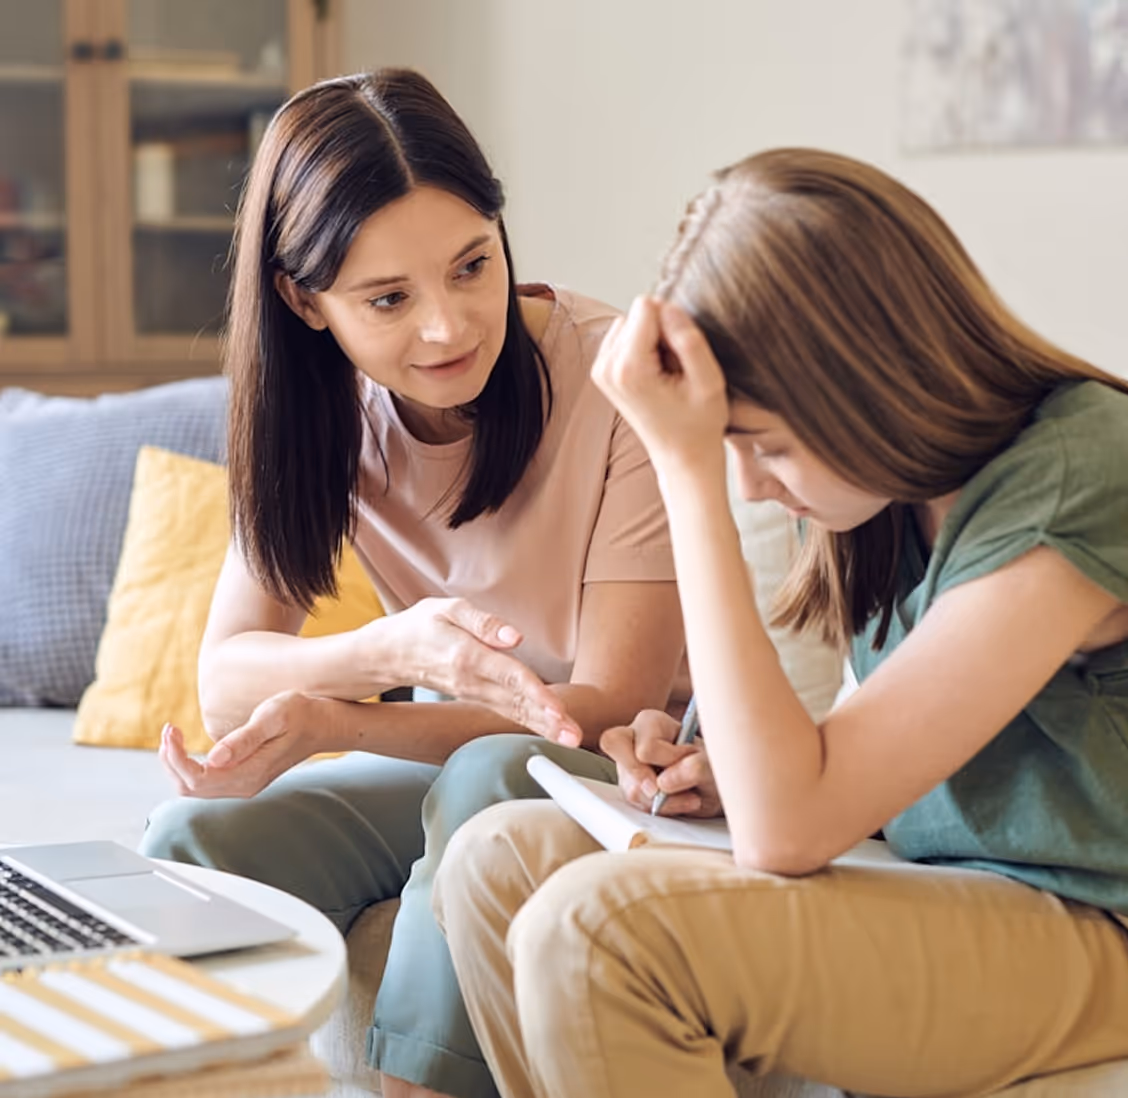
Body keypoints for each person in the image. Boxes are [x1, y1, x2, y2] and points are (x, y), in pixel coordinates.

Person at [432, 147, 1128, 1098]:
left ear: (872, 388)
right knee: (494, 858)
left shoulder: (1075, 473)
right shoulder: (893, 496)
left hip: (1091, 922)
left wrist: (686, 477)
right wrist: (717, 770)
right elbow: (849, 766)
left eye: (768, 448)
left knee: (594, 930)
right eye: (731, 451)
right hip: (951, 882)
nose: (755, 486)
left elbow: (790, 828)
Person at [138, 69, 687, 1098]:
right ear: (306, 302)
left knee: (490, 785)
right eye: (388, 299)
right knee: (184, 843)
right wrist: (391, 654)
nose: (448, 327)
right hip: (462, 760)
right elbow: (225, 681)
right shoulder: (322, 415)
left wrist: (333, 721)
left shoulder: (617, 380)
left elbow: (601, 709)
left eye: (472, 265)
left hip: (624, 775)